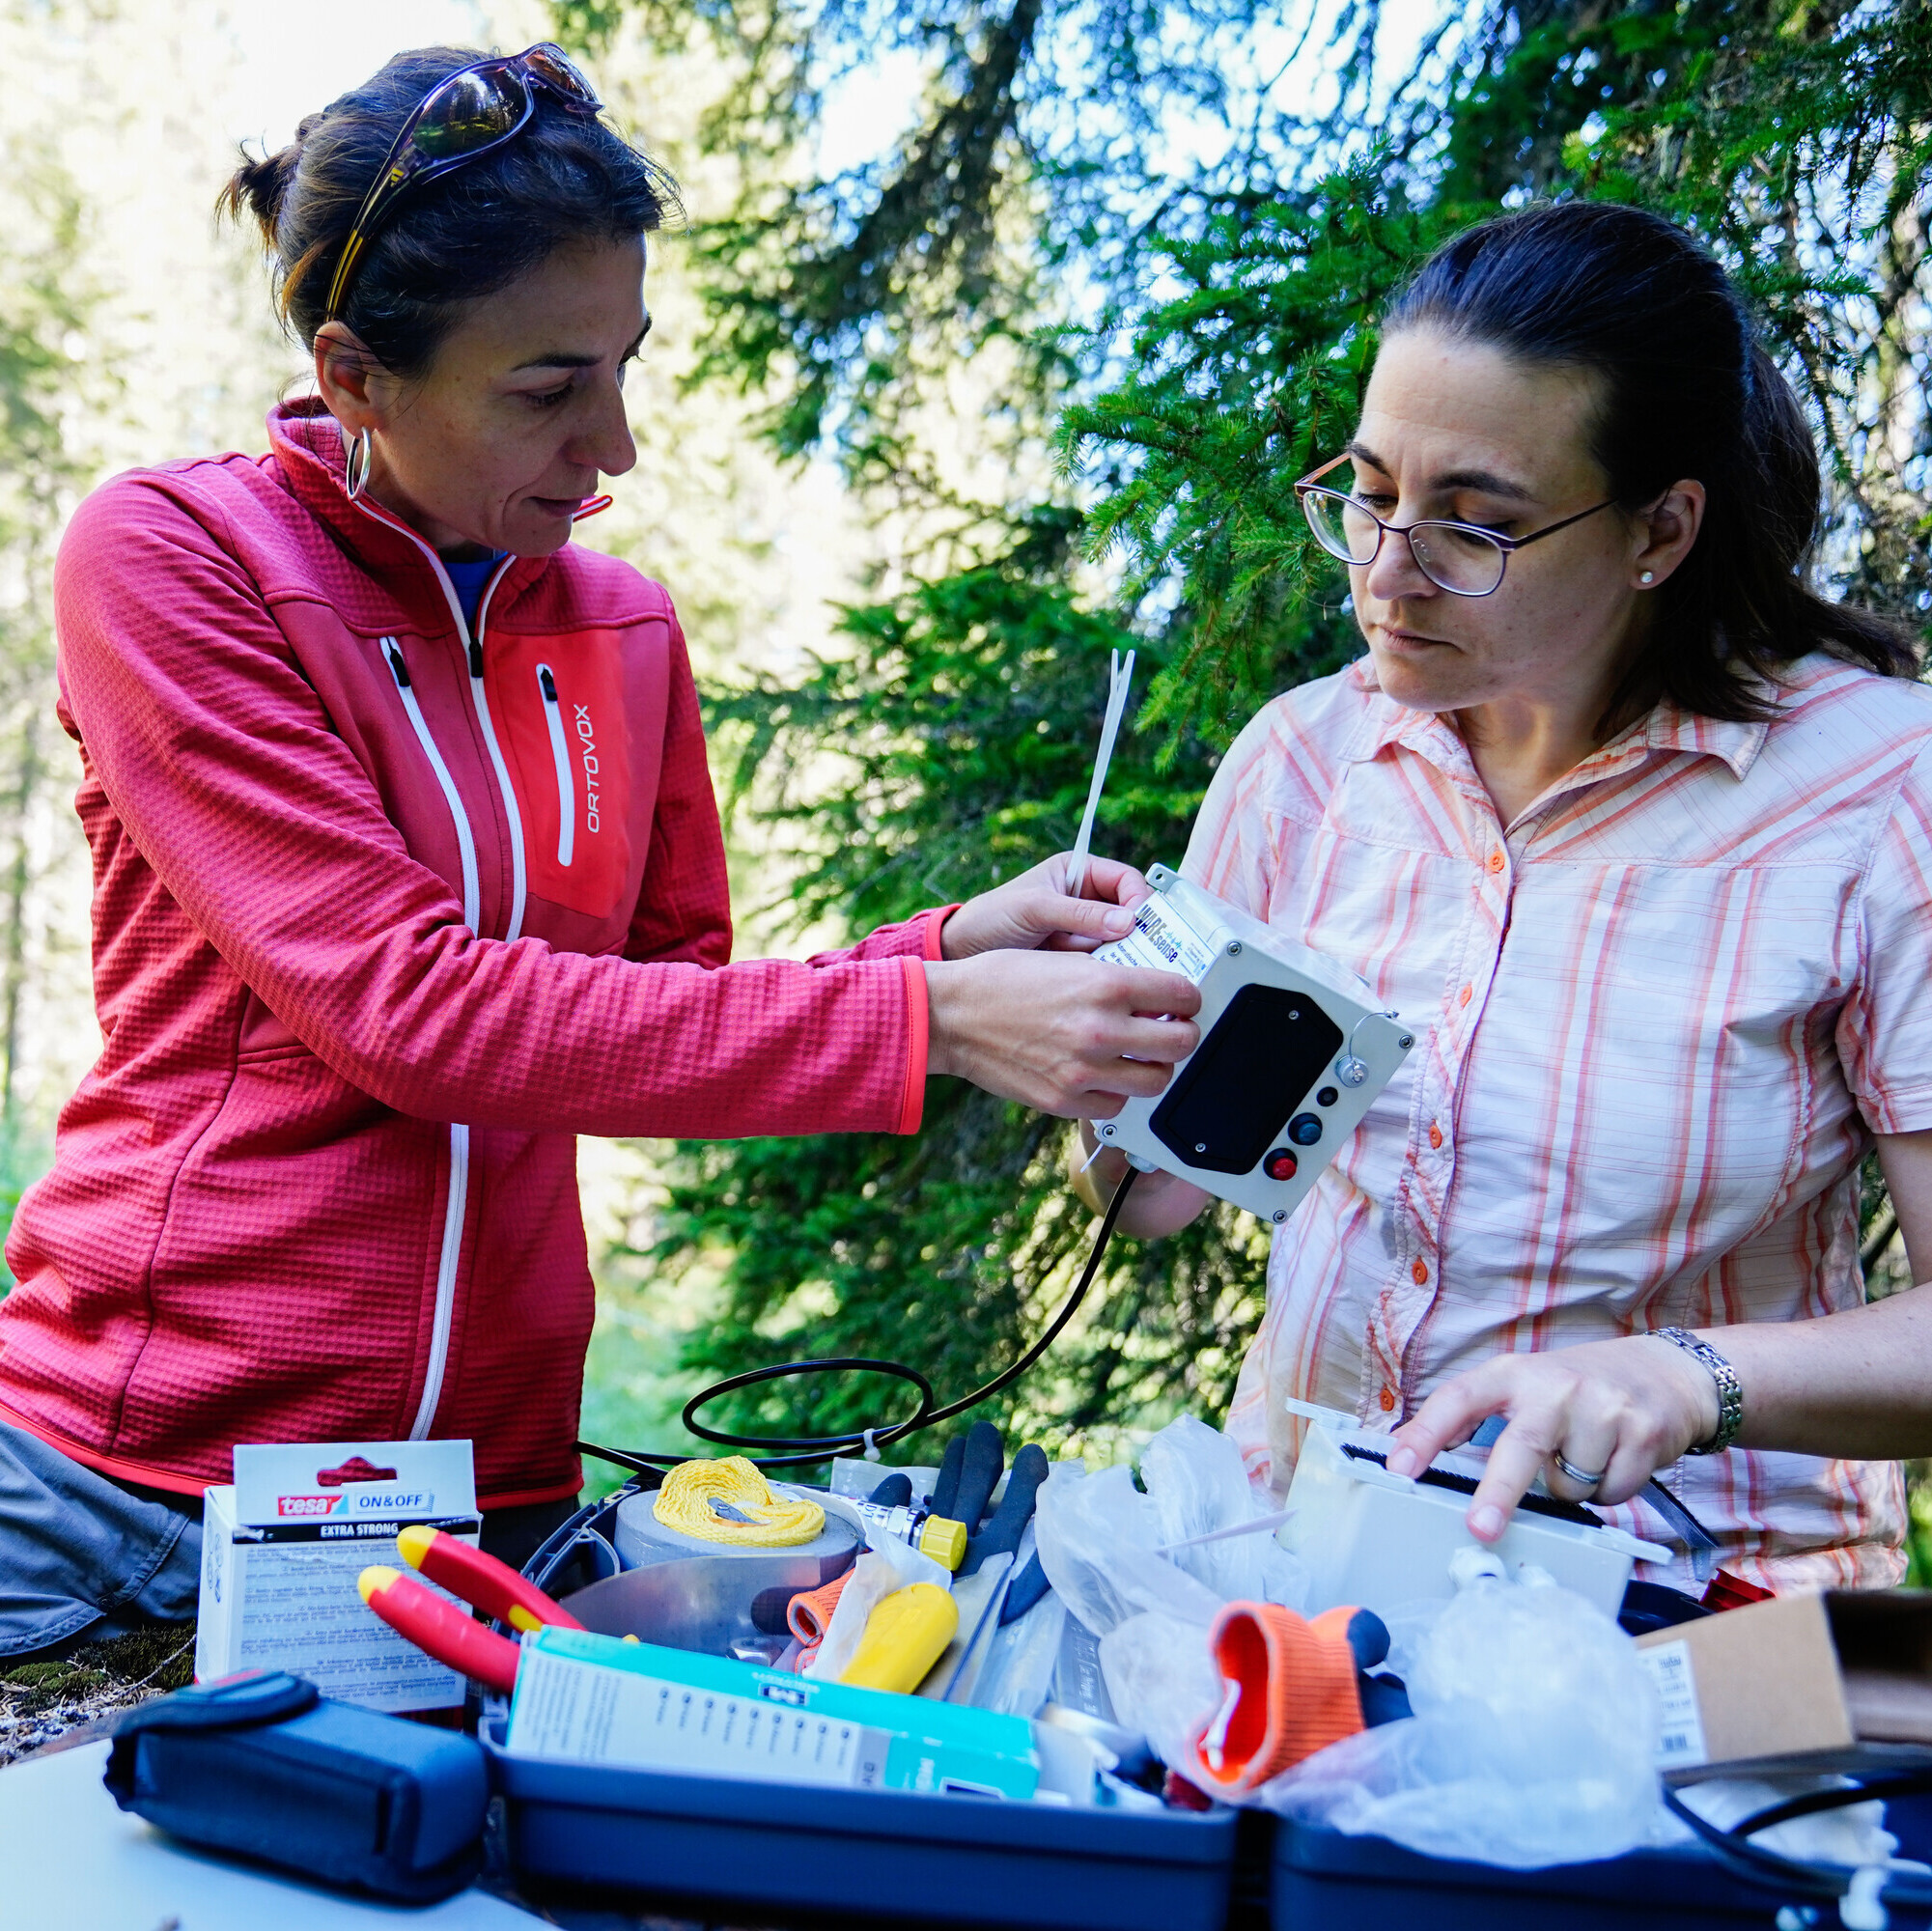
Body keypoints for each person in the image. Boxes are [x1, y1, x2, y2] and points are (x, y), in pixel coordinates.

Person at [0, 42, 1202, 1660]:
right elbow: (404, 1012)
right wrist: (937, 1029)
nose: (615, 443)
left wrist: (940, 954)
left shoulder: (618, 623)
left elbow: (654, 1018)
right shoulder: (173, 558)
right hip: (121, 1479)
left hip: (467, 1507)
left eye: (625, 363)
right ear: (353, 374)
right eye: (549, 388)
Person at [1074, 200, 1930, 1594]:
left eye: (1474, 525)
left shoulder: (1880, 792)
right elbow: (1153, 1201)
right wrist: (1094, 1056)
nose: (1385, 570)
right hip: (1304, 1580)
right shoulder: (1305, 758)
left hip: (1686, 1618)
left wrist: (1682, 1379)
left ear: (1659, 530)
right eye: (1366, 490)